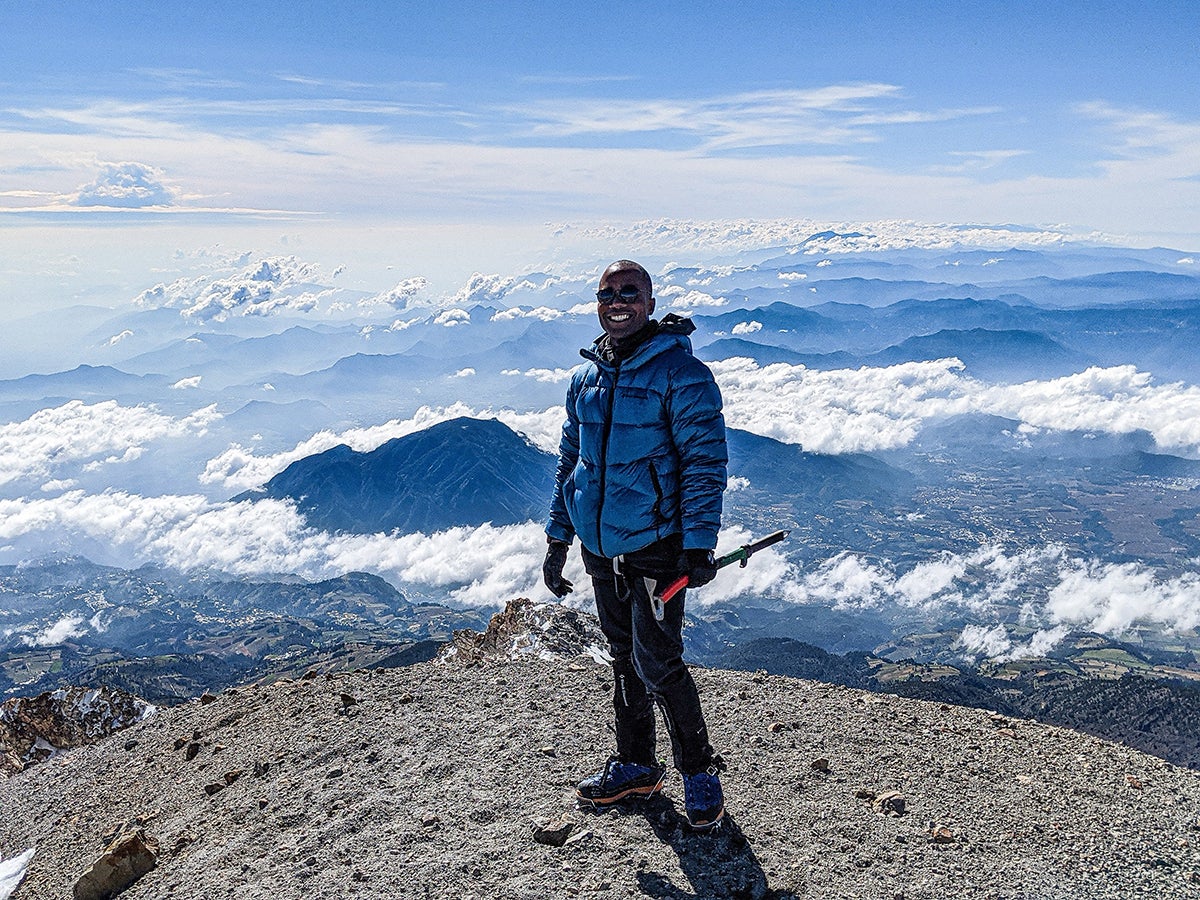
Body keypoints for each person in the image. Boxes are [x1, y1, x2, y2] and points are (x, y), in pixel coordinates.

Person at [542, 259, 729, 830]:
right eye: (606, 293)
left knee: (659, 662)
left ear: (649, 302)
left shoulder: (680, 373)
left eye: (629, 291)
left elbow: (704, 463)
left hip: (654, 547)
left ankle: (697, 771)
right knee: (623, 658)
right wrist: (558, 538)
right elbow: (570, 463)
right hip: (601, 548)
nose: (616, 300)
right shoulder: (587, 378)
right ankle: (636, 764)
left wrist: (696, 546)